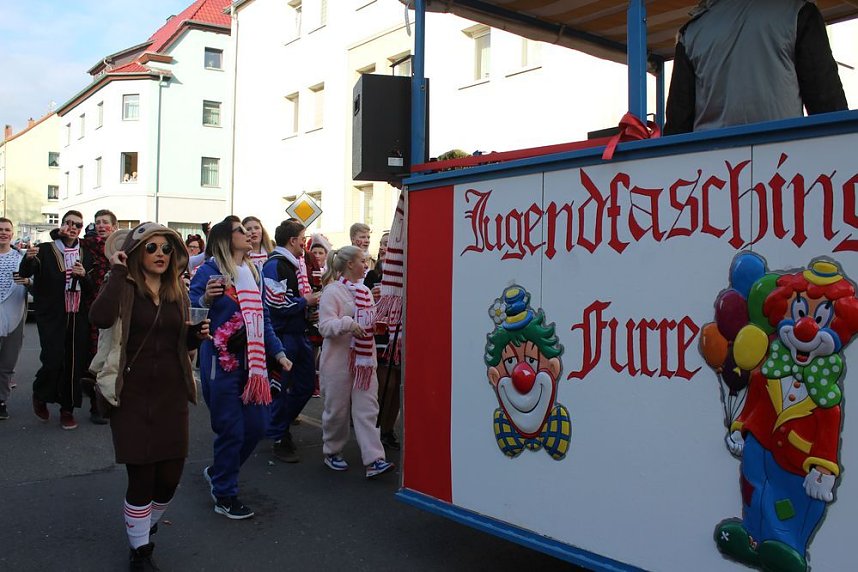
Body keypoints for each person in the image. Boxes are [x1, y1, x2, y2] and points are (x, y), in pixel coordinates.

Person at [89, 222, 208, 570]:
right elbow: (99, 318)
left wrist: (196, 337)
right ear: (138, 252)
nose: (160, 254)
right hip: (131, 394)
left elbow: (179, 345)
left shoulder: (178, 291)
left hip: (171, 394)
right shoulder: (124, 287)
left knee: (169, 479)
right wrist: (116, 273)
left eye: (167, 249)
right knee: (141, 476)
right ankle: (140, 549)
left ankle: (141, 523)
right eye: (152, 248)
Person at [190, 216, 291, 520]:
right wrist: (205, 297)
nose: (248, 234)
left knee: (258, 426)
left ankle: (219, 470)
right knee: (231, 430)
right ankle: (224, 493)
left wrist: (279, 351)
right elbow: (191, 308)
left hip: (254, 365)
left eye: (248, 231)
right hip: (220, 364)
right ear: (224, 238)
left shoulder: (254, 271)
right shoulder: (209, 270)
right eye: (240, 230)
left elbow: (264, 318)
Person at [664, 0, 848, 135]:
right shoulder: (797, 11)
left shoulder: (692, 32)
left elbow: (678, 122)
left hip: (712, 167)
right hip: (783, 160)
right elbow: (828, 104)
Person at [318, 246, 394, 478]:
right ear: (350, 264)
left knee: (368, 409)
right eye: (362, 260)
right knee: (337, 411)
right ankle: (332, 451)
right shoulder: (333, 292)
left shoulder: (365, 291)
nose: (367, 264)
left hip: (363, 361)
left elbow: (368, 320)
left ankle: (374, 459)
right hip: (338, 363)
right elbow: (324, 327)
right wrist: (348, 323)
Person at [19, 210, 94, 429]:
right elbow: (25, 272)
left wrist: (84, 276)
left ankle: (67, 409)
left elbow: (89, 289)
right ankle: (41, 394)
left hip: (77, 314)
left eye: (77, 225)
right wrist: (28, 258)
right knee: (53, 358)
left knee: (74, 363)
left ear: (81, 229)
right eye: (69, 223)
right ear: (61, 225)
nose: (73, 227)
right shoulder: (44, 249)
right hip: (52, 314)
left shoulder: (85, 253)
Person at [262, 220, 319, 462]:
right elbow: (276, 305)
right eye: (303, 238)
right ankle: (279, 436)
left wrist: (308, 309)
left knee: (306, 385)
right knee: (280, 388)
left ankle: (279, 427)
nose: (305, 243)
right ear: (293, 240)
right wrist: (305, 302)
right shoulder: (274, 265)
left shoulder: (295, 265)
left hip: (299, 333)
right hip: (283, 336)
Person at [81, 208, 118, 425]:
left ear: (114, 226)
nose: (101, 225)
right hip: (92, 309)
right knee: (97, 357)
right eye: (98, 222)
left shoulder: (122, 247)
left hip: (116, 309)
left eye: (105, 222)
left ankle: (112, 399)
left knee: (115, 356)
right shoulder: (87, 246)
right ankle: (97, 406)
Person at [363, 232, 399, 450]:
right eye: (384, 244)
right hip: (382, 332)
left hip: (401, 331)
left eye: (390, 244)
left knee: (397, 387)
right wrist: (376, 297)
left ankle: (388, 429)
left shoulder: (405, 271)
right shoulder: (372, 274)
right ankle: (374, 429)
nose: (386, 247)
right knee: (386, 383)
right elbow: (363, 299)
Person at [0, 218, 29, 420]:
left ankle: (1, 401)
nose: (3, 233)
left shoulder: (22, 258)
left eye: (7, 230)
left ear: (12, 233)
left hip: (14, 314)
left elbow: (35, 283)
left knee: (7, 364)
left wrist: (28, 281)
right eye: (0, 229)